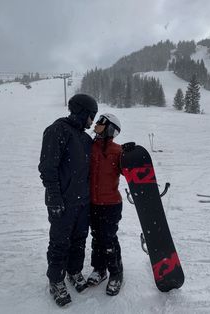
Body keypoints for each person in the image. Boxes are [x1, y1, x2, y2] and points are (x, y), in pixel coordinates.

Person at [38, 94, 98, 307]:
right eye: (91, 116)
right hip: (62, 201)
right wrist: (54, 197)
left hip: (82, 201)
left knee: (80, 239)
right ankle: (56, 280)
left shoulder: (85, 139)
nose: (92, 122)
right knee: (60, 242)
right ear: (83, 112)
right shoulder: (58, 131)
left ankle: (74, 271)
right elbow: (47, 167)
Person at [87, 113, 124, 296]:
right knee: (96, 237)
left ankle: (116, 273)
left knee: (108, 239)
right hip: (93, 203)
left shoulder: (118, 151)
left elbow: (127, 171)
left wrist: (131, 157)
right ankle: (100, 269)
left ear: (110, 129)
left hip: (111, 204)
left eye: (101, 124)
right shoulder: (90, 147)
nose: (96, 126)